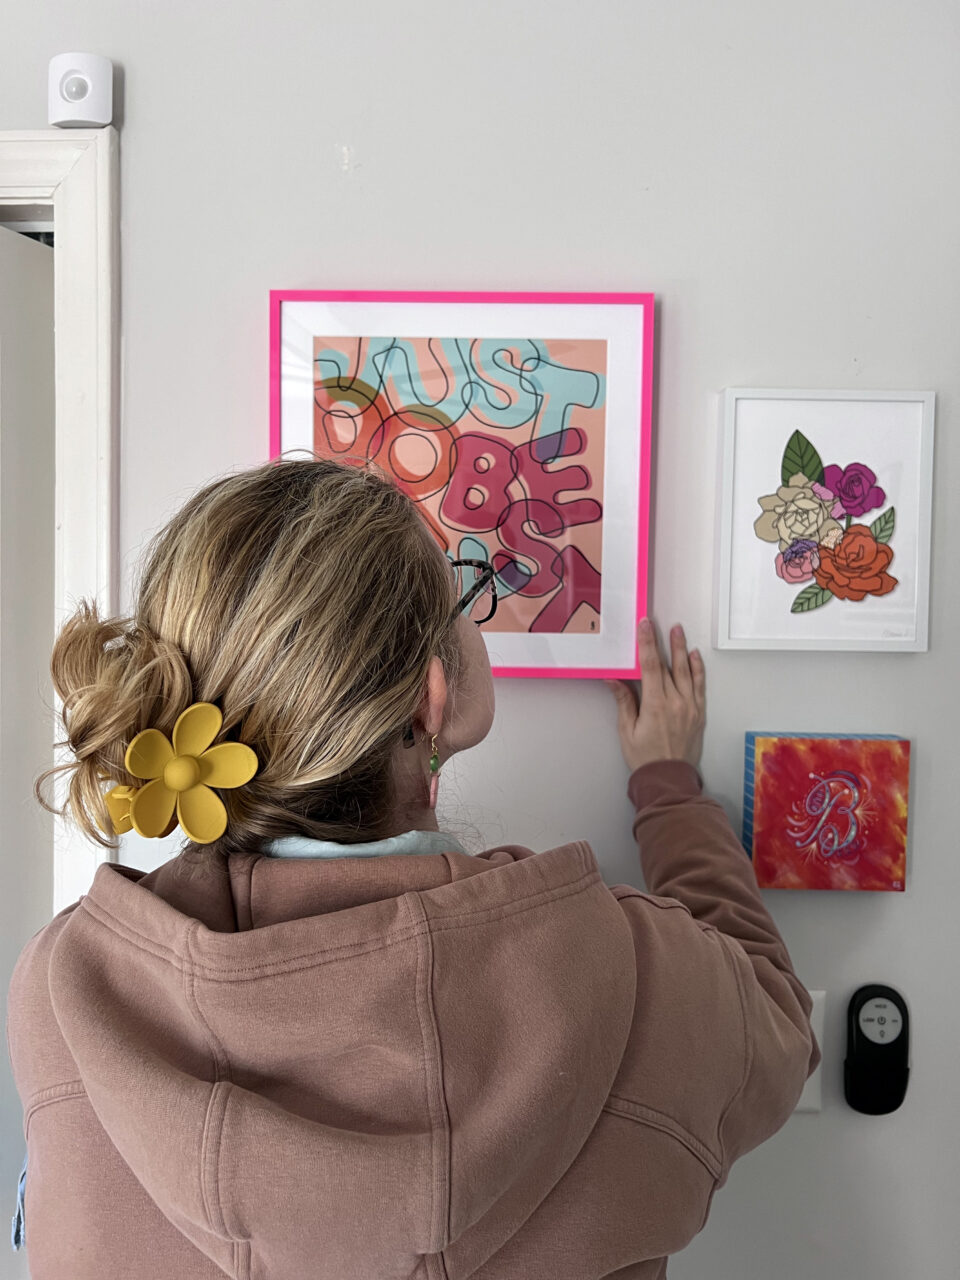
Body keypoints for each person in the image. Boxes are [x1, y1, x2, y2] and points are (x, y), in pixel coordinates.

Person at [6, 457, 819, 1280]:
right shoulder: (649, 978)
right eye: (460, 597)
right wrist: (670, 792)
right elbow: (779, 1015)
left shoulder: (63, 993)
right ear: (434, 698)